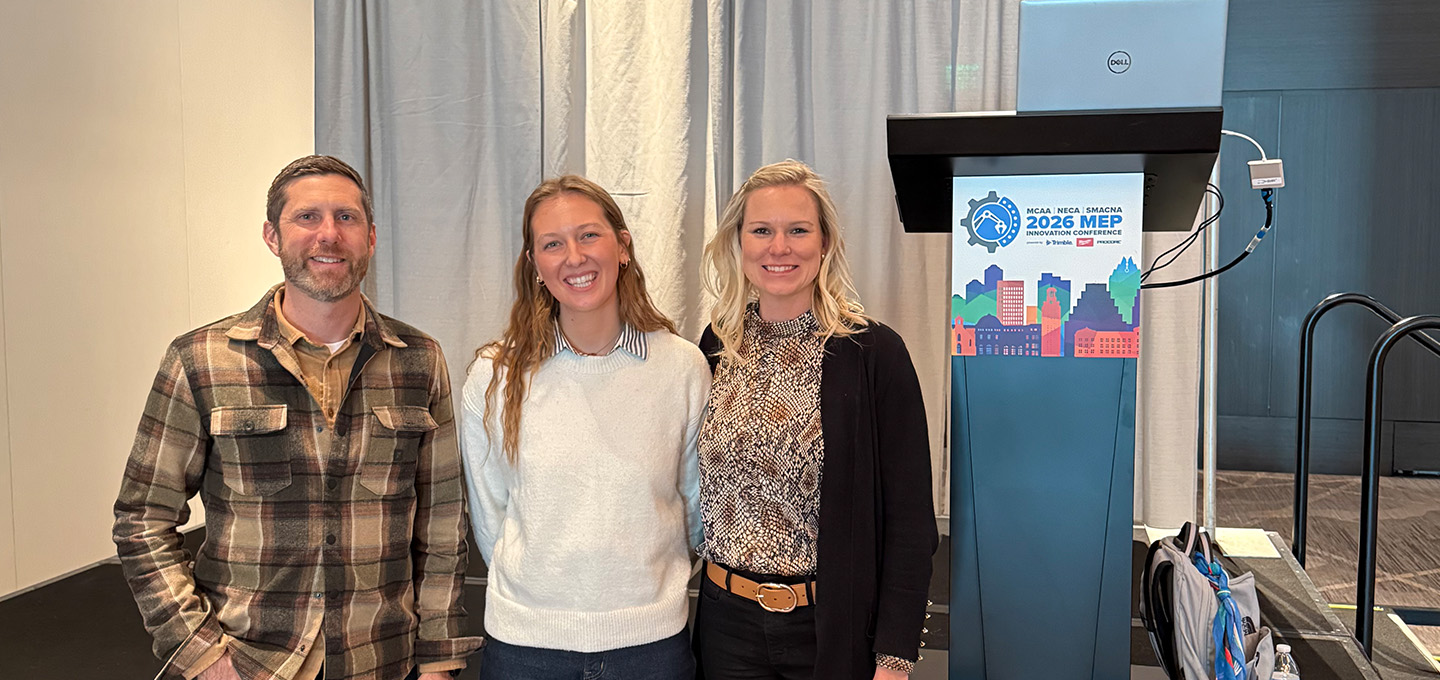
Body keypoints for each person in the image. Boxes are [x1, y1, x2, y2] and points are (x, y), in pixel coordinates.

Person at [113, 155, 481, 680]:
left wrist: (439, 662)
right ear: (272, 235)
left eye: (346, 218)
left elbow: (442, 526)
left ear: (371, 237)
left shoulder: (419, 359)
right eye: (307, 218)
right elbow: (141, 520)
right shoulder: (202, 360)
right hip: (245, 663)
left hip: (381, 661)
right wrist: (202, 655)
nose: (328, 234)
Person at [693, 160, 938, 679]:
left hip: (831, 629)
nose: (778, 247)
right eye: (762, 230)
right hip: (724, 625)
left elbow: (911, 521)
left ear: (823, 243)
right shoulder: (717, 345)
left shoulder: (874, 352)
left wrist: (894, 658)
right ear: (740, 243)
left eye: (797, 230)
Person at [461, 175, 709, 679]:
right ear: (534, 266)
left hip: (652, 648)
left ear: (622, 246)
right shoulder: (495, 375)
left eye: (589, 235)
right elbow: (491, 517)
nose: (574, 256)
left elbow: (696, 505)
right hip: (525, 650)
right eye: (552, 244)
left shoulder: (681, 367)